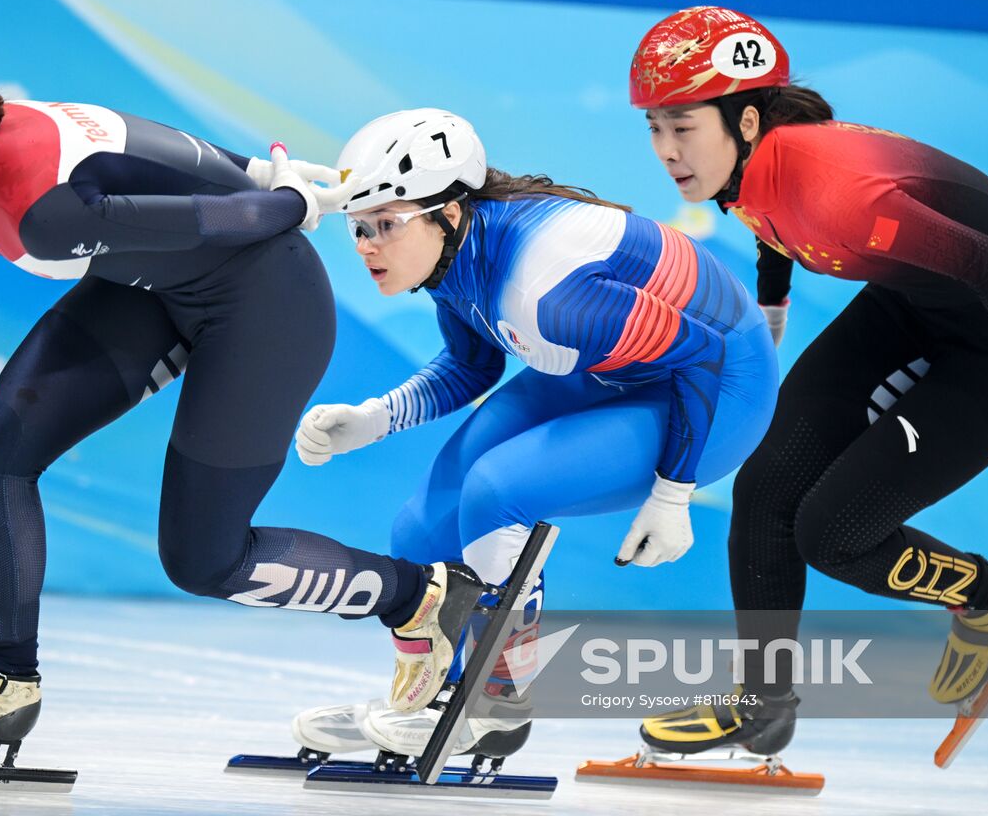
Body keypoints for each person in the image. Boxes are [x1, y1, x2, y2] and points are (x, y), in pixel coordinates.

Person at [0, 35, 485, 752]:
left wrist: (284, 198)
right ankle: (6, 682)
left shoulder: (36, 204)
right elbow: (148, 144)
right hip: (155, 287)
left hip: (264, 304)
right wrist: (255, 168)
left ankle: (419, 598)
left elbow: (222, 220)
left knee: (203, 560)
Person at [630, 6, 988, 758]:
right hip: (912, 305)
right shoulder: (744, 166)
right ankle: (762, 705)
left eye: (681, 128)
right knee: (765, 483)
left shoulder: (842, 192)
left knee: (834, 534)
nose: (665, 151)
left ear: (746, 121)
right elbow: (766, 221)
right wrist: (773, 324)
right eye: (655, 128)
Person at [286, 108, 779, 757]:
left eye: (385, 225)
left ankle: (495, 703)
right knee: (421, 527)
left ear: (449, 213)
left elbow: (704, 353)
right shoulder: (451, 256)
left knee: (500, 489)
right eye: (358, 227)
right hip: (613, 364)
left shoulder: (547, 292)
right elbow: (471, 364)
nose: (367, 245)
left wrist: (673, 494)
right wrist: (377, 419)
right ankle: (430, 697)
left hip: (717, 389)